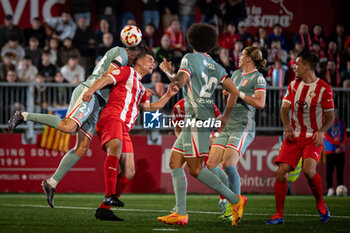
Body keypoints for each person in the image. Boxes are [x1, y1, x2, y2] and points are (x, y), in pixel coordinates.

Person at [8, 41, 149, 208]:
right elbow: (108, 76)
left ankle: (51, 183)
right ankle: (23, 115)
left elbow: (142, 103)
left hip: (97, 103)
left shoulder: (129, 69)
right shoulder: (122, 54)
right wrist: (92, 90)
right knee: (69, 126)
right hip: (90, 92)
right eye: (140, 54)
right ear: (135, 51)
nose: (136, 56)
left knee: (82, 148)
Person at [156, 23, 245, 226]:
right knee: (174, 163)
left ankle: (235, 199)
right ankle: (180, 213)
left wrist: (167, 72)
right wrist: (225, 116)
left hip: (197, 119)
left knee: (196, 169)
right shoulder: (217, 66)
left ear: (191, 39)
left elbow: (179, 81)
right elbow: (234, 91)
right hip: (198, 120)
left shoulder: (189, 58)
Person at [82, 52, 179, 221]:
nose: (153, 63)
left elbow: (149, 107)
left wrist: (168, 95)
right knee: (116, 148)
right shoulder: (126, 71)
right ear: (139, 62)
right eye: (149, 60)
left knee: (129, 171)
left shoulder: (140, 86)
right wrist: (91, 90)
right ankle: (110, 195)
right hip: (112, 118)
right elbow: (106, 79)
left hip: (124, 128)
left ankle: (104, 209)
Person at [266, 51, 334, 224]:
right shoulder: (293, 85)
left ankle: (320, 202)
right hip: (294, 137)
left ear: (307, 66)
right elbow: (283, 109)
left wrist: (322, 131)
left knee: (308, 170)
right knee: (281, 172)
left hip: (313, 137)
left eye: (297, 64)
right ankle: (279, 215)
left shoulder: (324, 89)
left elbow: (330, 117)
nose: (294, 67)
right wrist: (287, 126)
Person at [206, 46, 267, 221]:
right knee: (211, 164)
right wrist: (226, 100)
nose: (239, 57)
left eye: (242, 55)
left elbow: (260, 103)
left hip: (243, 124)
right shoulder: (236, 75)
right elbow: (231, 99)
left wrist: (239, 93)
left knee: (229, 163)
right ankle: (231, 197)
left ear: (249, 59)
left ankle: (234, 206)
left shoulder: (258, 78)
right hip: (229, 123)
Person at [324, 109, 346, 196]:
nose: (334, 114)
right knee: (329, 171)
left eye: (335, 113)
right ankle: (330, 189)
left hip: (340, 150)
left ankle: (340, 189)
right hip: (330, 150)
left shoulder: (341, 122)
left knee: (340, 171)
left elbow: (344, 134)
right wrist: (338, 144)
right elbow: (327, 136)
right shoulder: (326, 123)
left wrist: (341, 145)